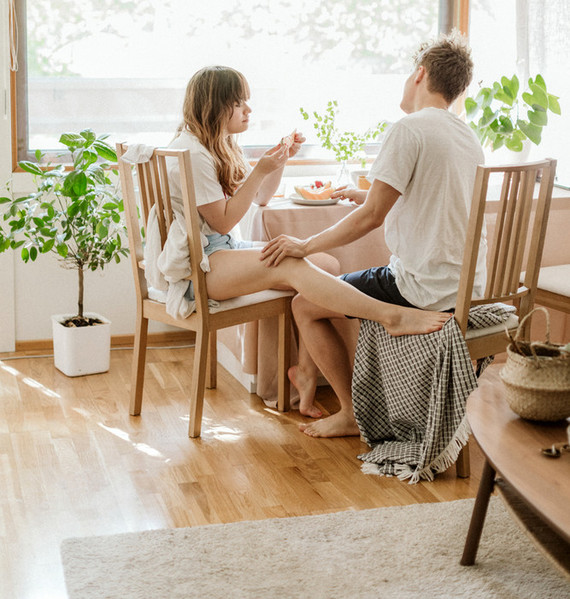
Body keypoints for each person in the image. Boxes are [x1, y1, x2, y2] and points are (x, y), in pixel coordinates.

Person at [167, 66, 450, 412]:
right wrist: (259, 171)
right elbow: (224, 222)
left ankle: (306, 374)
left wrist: (279, 163)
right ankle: (389, 316)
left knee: (326, 263)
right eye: (239, 103)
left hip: (222, 252)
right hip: (202, 269)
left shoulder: (216, 147)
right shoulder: (193, 153)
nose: (248, 111)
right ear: (214, 105)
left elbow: (261, 201)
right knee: (291, 263)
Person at [260, 34, 486, 438]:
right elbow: (433, 199)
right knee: (342, 288)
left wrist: (305, 245)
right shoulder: (466, 135)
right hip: (471, 285)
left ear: (420, 74)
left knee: (306, 304)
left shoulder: (409, 129)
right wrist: (367, 194)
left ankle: (350, 412)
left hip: (424, 289)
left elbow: (370, 219)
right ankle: (306, 378)